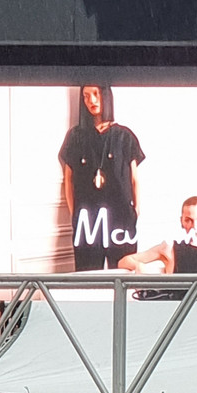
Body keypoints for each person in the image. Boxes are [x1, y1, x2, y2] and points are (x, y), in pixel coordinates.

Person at [59, 84, 144, 270]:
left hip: (121, 216)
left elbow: (134, 179)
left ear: (106, 95)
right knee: (87, 272)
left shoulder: (124, 136)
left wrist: (136, 210)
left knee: (123, 271)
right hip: (88, 219)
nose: (92, 100)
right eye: (86, 96)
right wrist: (75, 213)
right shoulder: (76, 136)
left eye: (96, 94)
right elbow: (68, 179)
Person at [118, 194, 197, 275]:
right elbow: (124, 261)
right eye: (188, 220)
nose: (194, 226)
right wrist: (138, 266)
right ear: (182, 221)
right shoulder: (169, 249)